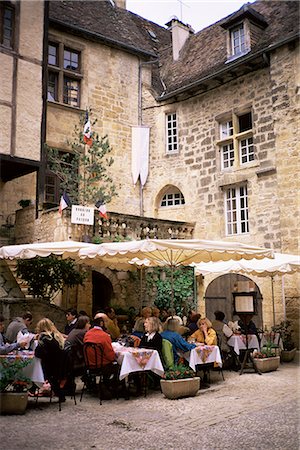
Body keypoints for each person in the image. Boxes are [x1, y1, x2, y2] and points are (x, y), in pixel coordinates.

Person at [83, 314, 119, 397]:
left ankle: (103, 385)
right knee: (119, 366)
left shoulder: (87, 334)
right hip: (102, 366)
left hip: (89, 365)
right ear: (101, 324)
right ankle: (110, 387)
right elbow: (110, 356)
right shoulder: (104, 336)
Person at [35, 318, 68, 402]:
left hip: (50, 367)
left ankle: (32, 388)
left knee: (34, 368)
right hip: (60, 365)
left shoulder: (44, 338)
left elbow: (37, 353)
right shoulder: (57, 336)